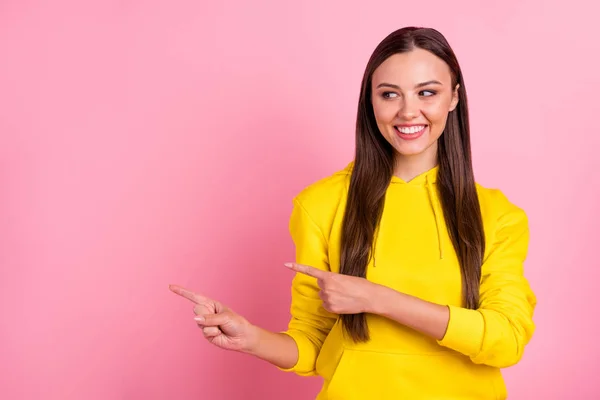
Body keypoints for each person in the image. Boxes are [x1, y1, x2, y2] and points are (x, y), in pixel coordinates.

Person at [169, 26, 536, 400]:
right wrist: (250, 338)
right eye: (390, 94)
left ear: (453, 98)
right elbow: (314, 342)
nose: (408, 111)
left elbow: (506, 340)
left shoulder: (497, 215)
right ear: (370, 102)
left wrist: (380, 300)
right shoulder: (321, 204)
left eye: (427, 92)